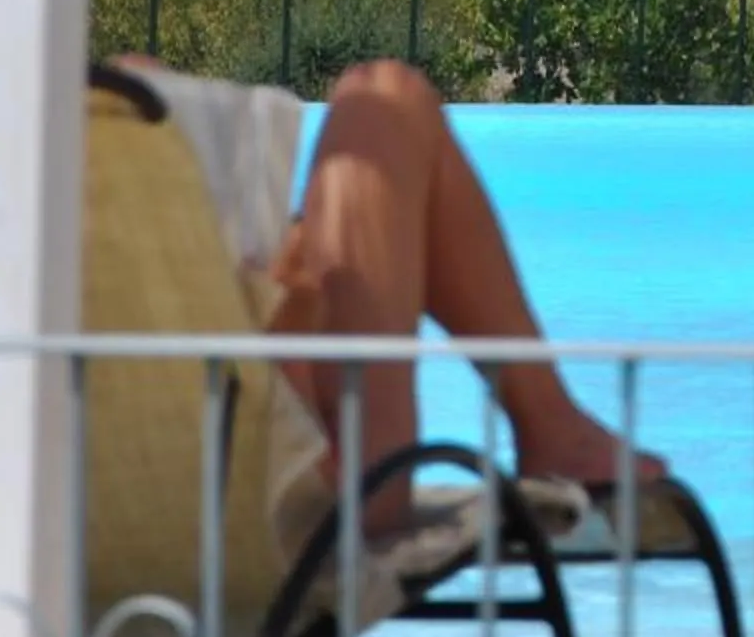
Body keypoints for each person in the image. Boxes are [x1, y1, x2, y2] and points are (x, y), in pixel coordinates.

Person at [252, 59, 664, 533]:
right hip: (291, 503)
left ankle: (554, 427)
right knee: (385, 104)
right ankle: (551, 426)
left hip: (193, 471)